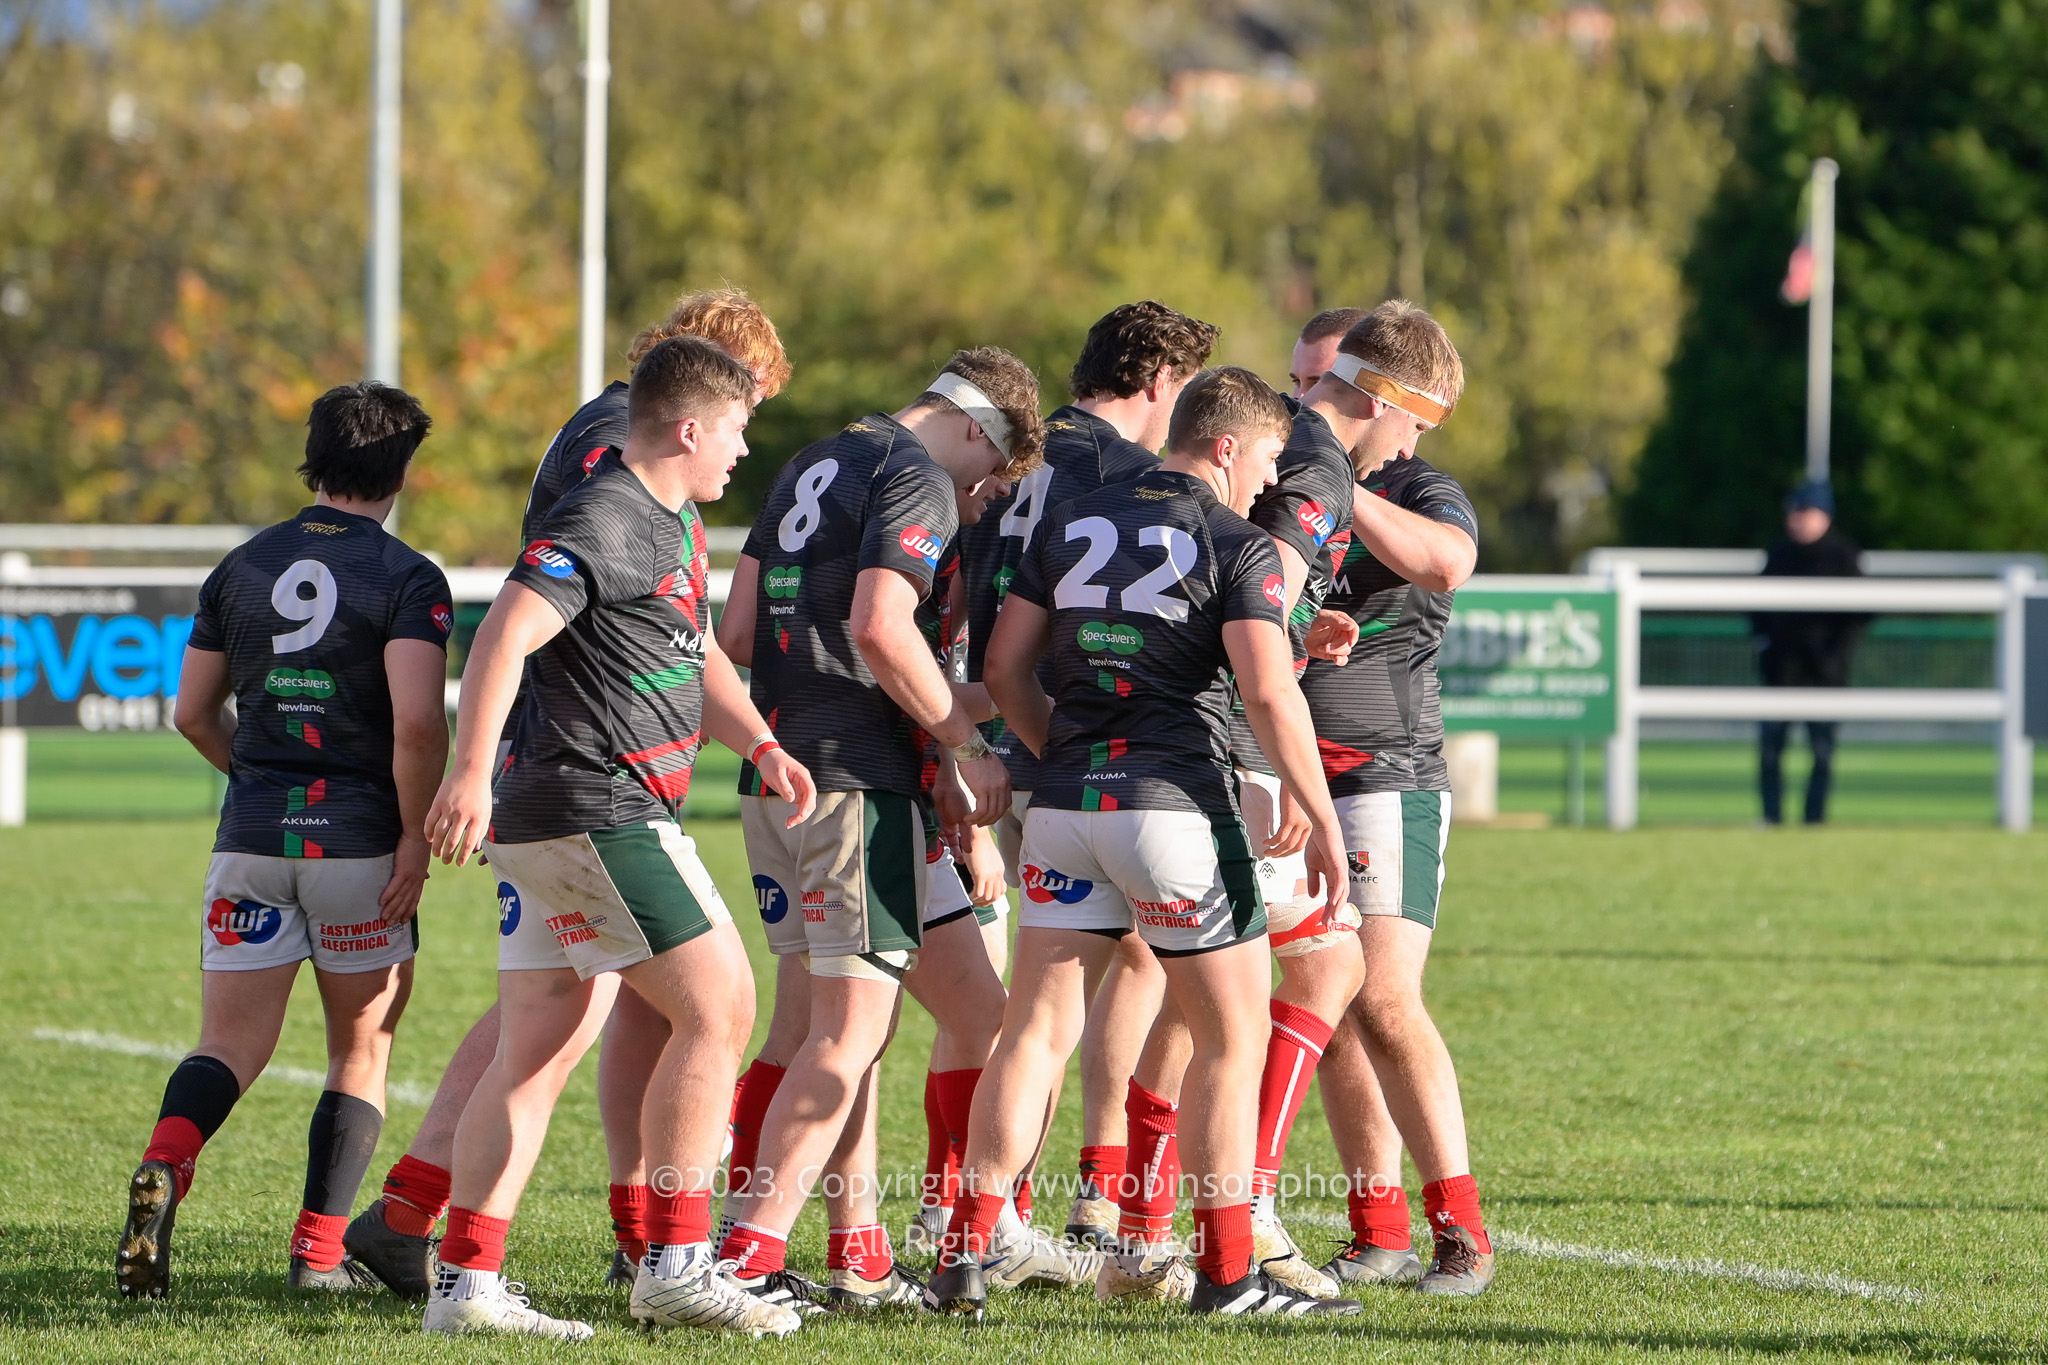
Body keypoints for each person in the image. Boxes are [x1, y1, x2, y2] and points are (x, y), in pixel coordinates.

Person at [342, 288, 792, 1296]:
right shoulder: (620, 471)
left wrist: (758, 740)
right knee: (695, 1008)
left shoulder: (646, 475)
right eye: (744, 407)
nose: (746, 437)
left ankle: (447, 1245)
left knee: (552, 1028)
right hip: (586, 782)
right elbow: (524, 619)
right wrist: (472, 768)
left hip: (571, 781)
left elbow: (681, 636)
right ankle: (663, 1250)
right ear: (695, 397)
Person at [930, 365, 1362, 1320]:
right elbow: (1266, 690)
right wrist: (1321, 814)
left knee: (1034, 1031)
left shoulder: (1073, 518)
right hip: (1174, 806)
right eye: (1267, 458)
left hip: (1065, 807)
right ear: (1226, 445)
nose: (1271, 479)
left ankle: (964, 1250)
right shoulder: (1237, 542)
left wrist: (1067, 752)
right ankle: (1228, 1274)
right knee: (1233, 1037)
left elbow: (1003, 663)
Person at [715, 348, 1042, 1310]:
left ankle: (860, 1248)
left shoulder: (810, 460)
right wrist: (965, 743)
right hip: (856, 787)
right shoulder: (917, 472)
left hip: (781, 774)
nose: (979, 499)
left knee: (958, 1011)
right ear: (976, 428)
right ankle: (744, 1256)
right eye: (989, 473)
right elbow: (879, 624)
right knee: (846, 1030)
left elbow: (738, 636)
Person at [116, 383, 451, 1300]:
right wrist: (415, 837)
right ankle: (317, 1254)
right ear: (402, 470)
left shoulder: (242, 565)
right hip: (359, 849)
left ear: (314, 456)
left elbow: (191, 712)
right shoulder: (407, 576)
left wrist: (261, 786)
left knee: (226, 1044)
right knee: (360, 1051)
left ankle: (165, 1162)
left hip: (250, 843)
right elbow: (419, 724)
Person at [951, 301, 1219, 1250]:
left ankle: (982, 1213)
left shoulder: (1014, 451)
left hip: (999, 740)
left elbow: (963, 600)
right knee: (1132, 964)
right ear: (1161, 382)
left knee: (1025, 1001)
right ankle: (1100, 1192)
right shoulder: (1129, 475)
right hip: (1088, 748)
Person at [1276, 301, 1495, 1297]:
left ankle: (1462, 1235)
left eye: (1317, 383)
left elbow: (1447, 563)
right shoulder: (1280, 469)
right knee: (1322, 999)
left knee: (1382, 997)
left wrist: (1336, 488)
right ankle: (1378, 1230)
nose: (1302, 401)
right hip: (1281, 770)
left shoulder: (1415, 482)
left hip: (1382, 771)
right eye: (1295, 382)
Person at [1754, 479, 1865, 825]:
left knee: (1822, 751)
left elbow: (1859, 614)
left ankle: (1814, 819)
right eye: (1793, 512)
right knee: (1770, 749)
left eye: (1804, 512)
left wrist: (1834, 656)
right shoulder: (1778, 554)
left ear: (1824, 516)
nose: (1796, 520)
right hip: (1781, 671)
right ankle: (1771, 817)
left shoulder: (1843, 556)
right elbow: (1755, 608)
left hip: (1825, 673)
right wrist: (1765, 646)